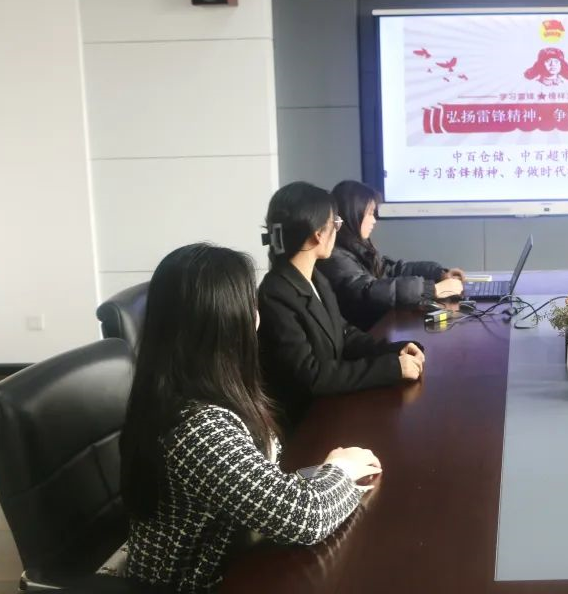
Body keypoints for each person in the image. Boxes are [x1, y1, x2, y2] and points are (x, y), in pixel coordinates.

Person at [119, 243, 382, 593]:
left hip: (234, 555)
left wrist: (319, 477)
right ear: (225, 322)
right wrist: (341, 470)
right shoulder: (197, 426)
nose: (258, 314)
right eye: (250, 304)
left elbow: (260, 477)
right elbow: (305, 516)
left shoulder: (197, 388)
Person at [257, 182, 425, 429]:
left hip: (331, 409)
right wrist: (390, 368)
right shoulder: (276, 293)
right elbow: (311, 376)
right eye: (335, 223)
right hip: (304, 426)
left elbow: (344, 333)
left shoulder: (316, 278)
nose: (337, 230)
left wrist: (392, 351)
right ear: (318, 234)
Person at [318, 180, 465, 331]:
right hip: (362, 336)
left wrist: (439, 273)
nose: (374, 221)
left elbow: (392, 271)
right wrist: (432, 289)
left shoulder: (357, 248)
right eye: (370, 213)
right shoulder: (334, 257)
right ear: (353, 214)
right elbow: (367, 291)